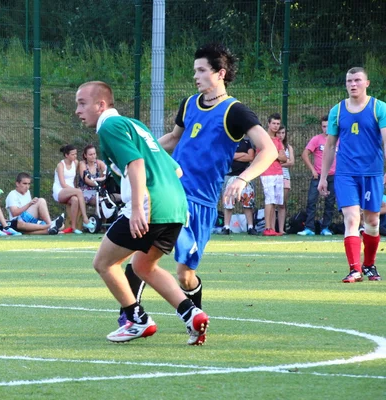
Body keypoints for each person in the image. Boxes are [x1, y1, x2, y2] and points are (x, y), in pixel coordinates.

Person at [121, 43, 277, 325]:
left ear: (220, 73)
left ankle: (194, 314)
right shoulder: (189, 104)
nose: (196, 76)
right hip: (170, 192)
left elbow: (269, 150)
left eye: (202, 70)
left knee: (184, 274)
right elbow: (172, 138)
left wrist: (243, 178)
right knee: (142, 253)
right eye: (195, 71)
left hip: (201, 203)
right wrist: (141, 152)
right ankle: (131, 317)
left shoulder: (235, 111)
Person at [75, 80, 210, 345]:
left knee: (103, 263)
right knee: (143, 265)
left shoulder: (110, 126)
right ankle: (191, 314)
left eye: (82, 103)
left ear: (101, 105)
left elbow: (136, 163)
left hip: (152, 206)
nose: (77, 110)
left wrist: (137, 207)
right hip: (176, 206)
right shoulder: (136, 125)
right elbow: (175, 169)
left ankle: (136, 319)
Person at [318, 67, 386, 283]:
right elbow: (329, 146)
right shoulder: (337, 111)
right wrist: (322, 177)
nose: (353, 84)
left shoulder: (379, 108)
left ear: (367, 83)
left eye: (357, 80)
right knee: (351, 218)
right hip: (345, 173)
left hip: (372, 172)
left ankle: (369, 265)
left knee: (372, 221)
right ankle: (354, 269)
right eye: (349, 81)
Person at [298, 116, 337, 236]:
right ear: (321, 127)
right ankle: (309, 228)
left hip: (333, 176)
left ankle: (326, 227)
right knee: (311, 201)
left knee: (330, 203)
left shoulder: (338, 140)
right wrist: (313, 170)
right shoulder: (316, 139)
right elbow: (305, 154)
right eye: (324, 126)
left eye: (328, 126)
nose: (326, 129)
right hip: (318, 176)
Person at [52, 144, 95, 234]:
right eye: (72, 154)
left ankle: (73, 227)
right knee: (79, 191)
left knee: (75, 200)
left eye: (76, 154)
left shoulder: (76, 163)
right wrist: (75, 190)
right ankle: (85, 219)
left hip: (70, 191)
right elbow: (63, 184)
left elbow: (74, 178)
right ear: (66, 155)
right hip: (59, 191)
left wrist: (75, 190)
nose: (75, 156)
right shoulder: (60, 165)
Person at [219, 134, 256, 235]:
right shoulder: (227, 141)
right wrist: (243, 155)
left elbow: (251, 157)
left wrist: (235, 155)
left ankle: (250, 227)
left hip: (245, 176)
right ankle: (226, 227)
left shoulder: (247, 142)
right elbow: (227, 156)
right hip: (229, 176)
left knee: (248, 202)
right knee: (228, 202)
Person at [259, 113, 287, 236]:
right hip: (267, 173)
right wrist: (277, 155)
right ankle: (267, 228)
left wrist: (274, 154)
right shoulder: (263, 138)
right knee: (269, 200)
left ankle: (272, 228)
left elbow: (284, 158)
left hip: (278, 173)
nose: (276, 126)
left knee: (275, 201)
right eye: (274, 123)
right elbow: (263, 155)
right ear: (268, 124)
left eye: (278, 124)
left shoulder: (278, 140)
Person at [277, 125, 295, 235]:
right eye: (279, 133)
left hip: (285, 177)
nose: (281, 135)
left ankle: (281, 229)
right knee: (273, 203)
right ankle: (270, 228)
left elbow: (291, 162)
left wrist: (280, 163)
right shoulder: (273, 145)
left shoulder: (288, 147)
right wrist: (285, 162)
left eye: (283, 133)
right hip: (275, 176)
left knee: (282, 203)